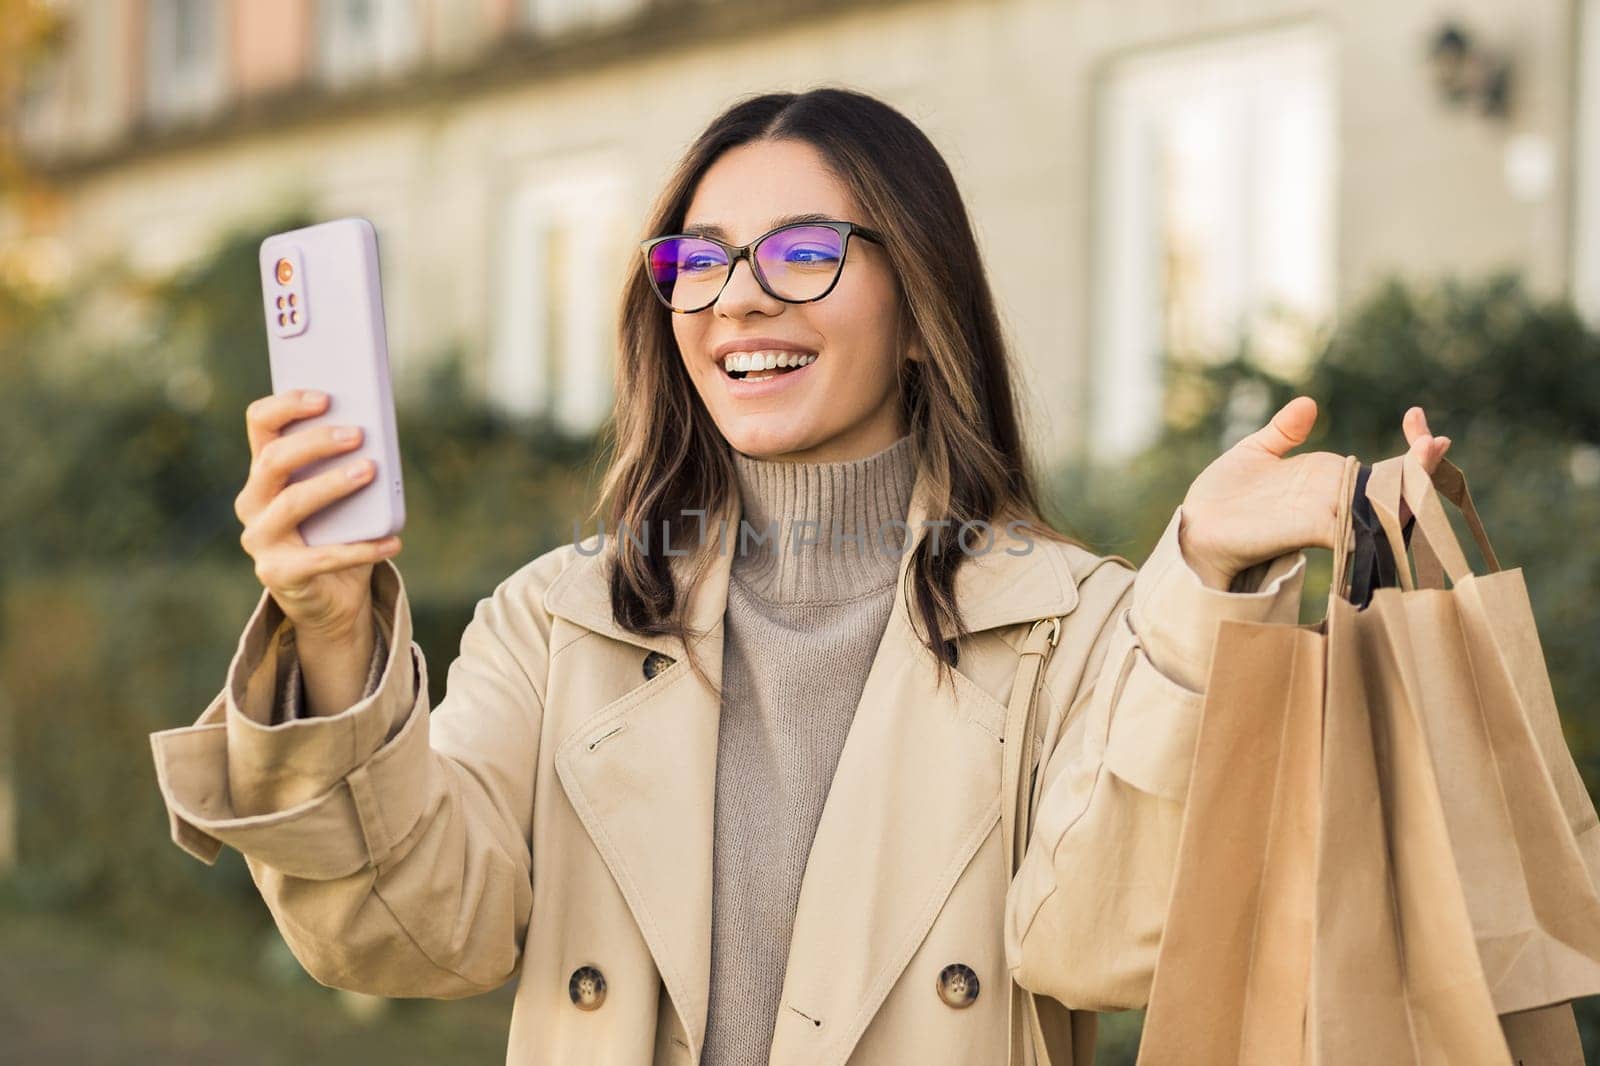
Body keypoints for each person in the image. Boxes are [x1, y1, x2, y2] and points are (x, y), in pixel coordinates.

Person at [148, 87, 1450, 1066]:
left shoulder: (1081, 619)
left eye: (804, 252)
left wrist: (1205, 579)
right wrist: (323, 631)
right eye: (697, 262)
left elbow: (1103, 944)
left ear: (917, 296)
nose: (738, 300)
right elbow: (403, 932)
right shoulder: (560, 621)